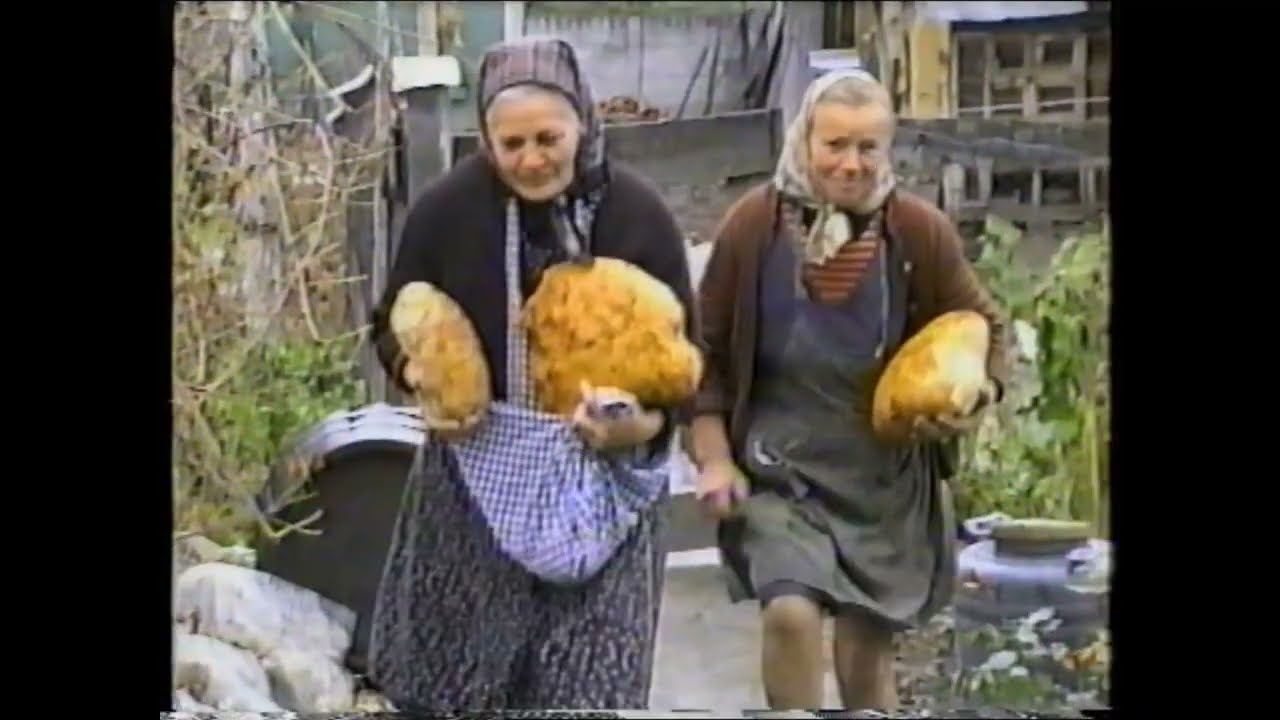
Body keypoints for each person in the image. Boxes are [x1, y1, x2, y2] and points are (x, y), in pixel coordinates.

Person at [366, 38, 696, 711]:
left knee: (584, 690)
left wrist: (643, 425)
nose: (532, 159)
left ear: (584, 121)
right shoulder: (447, 212)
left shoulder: (638, 217)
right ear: (486, 138)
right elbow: (390, 325)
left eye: (549, 136)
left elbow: (684, 363)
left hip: (607, 485)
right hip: (471, 481)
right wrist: (424, 376)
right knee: (455, 683)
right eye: (509, 143)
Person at [690, 69, 1011, 711]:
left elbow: (985, 329)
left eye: (869, 147)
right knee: (790, 612)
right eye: (834, 144)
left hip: (882, 482)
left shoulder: (917, 233)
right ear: (804, 140)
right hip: (780, 470)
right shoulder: (753, 229)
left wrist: (976, 394)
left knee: (864, 655)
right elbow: (706, 353)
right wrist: (716, 456)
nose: (852, 164)